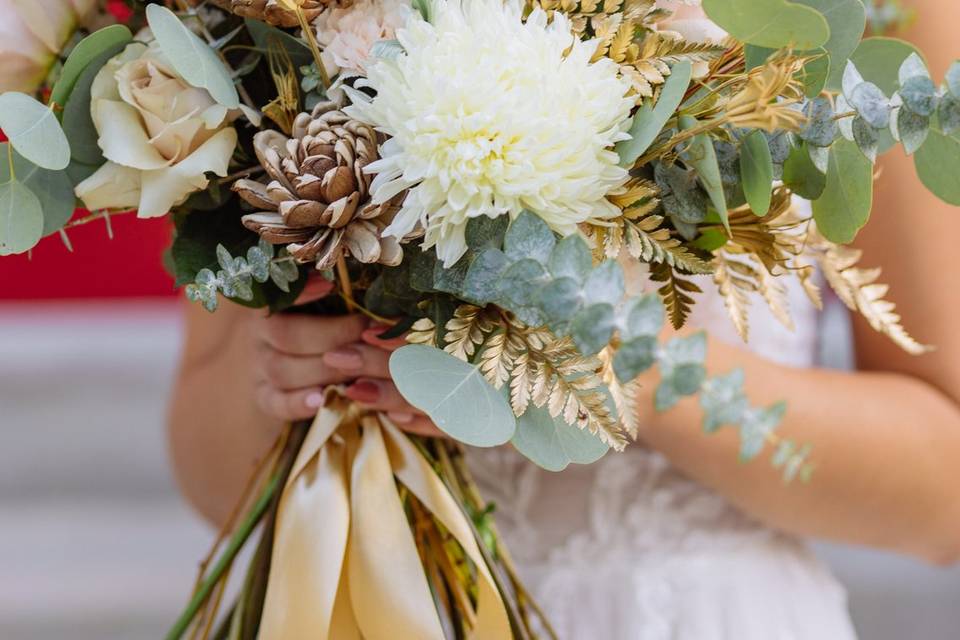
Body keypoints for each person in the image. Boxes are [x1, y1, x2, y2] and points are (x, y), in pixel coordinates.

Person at [168, 2, 960, 636]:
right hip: (389, 603)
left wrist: (624, 366)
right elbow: (209, 463)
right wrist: (294, 378)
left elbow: (943, 493)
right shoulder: (272, 17)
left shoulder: (888, 19)